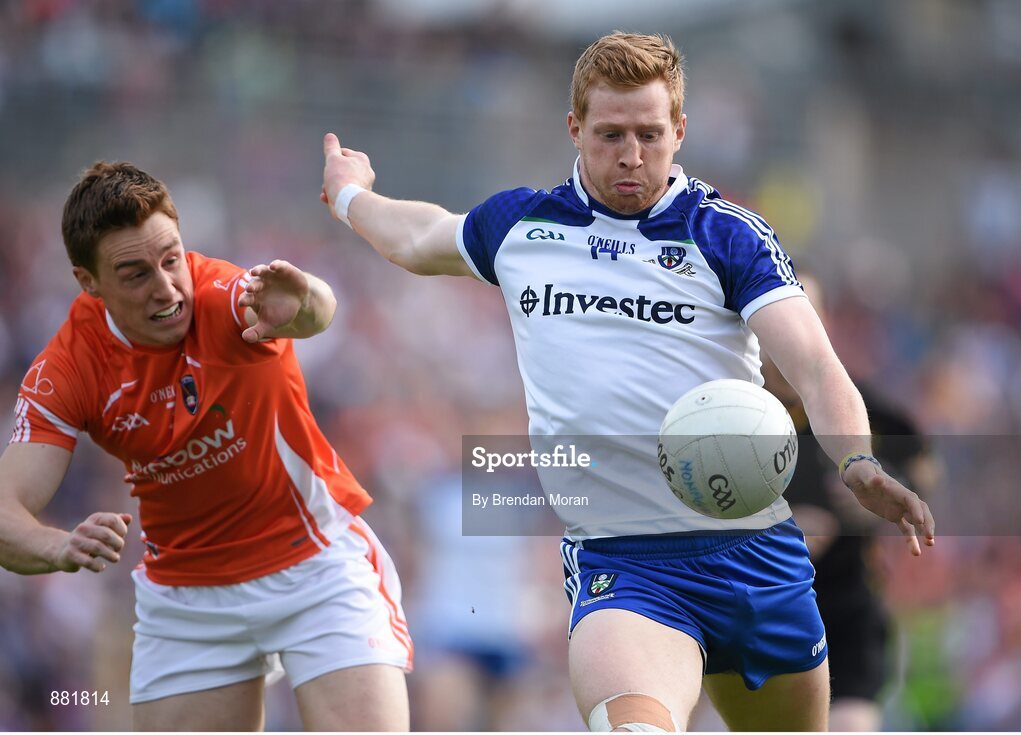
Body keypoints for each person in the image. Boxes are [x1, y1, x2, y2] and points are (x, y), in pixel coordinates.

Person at [319, 32, 935, 731]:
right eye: (611, 134)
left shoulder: (728, 235)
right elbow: (420, 236)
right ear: (575, 129)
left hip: (756, 558)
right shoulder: (524, 226)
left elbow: (817, 365)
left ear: (680, 130)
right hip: (627, 566)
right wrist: (350, 197)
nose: (632, 155)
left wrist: (855, 460)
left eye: (650, 134)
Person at [0, 162, 412, 731]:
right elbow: (4, 514)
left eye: (171, 258)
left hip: (316, 569)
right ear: (87, 281)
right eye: (134, 273)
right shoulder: (66, 369)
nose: (167, 288)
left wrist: (308, 299)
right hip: (188, 605)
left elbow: (315, 310)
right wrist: (59, 546)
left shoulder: (226, 296)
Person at [762, 275, 939, 731]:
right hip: (754, 617)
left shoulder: (854, 405)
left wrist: (882, 493)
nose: (790, 335)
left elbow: (921, 466)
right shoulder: (722, 413)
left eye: (805, 318)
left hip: (845, 613)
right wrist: (771, 535)